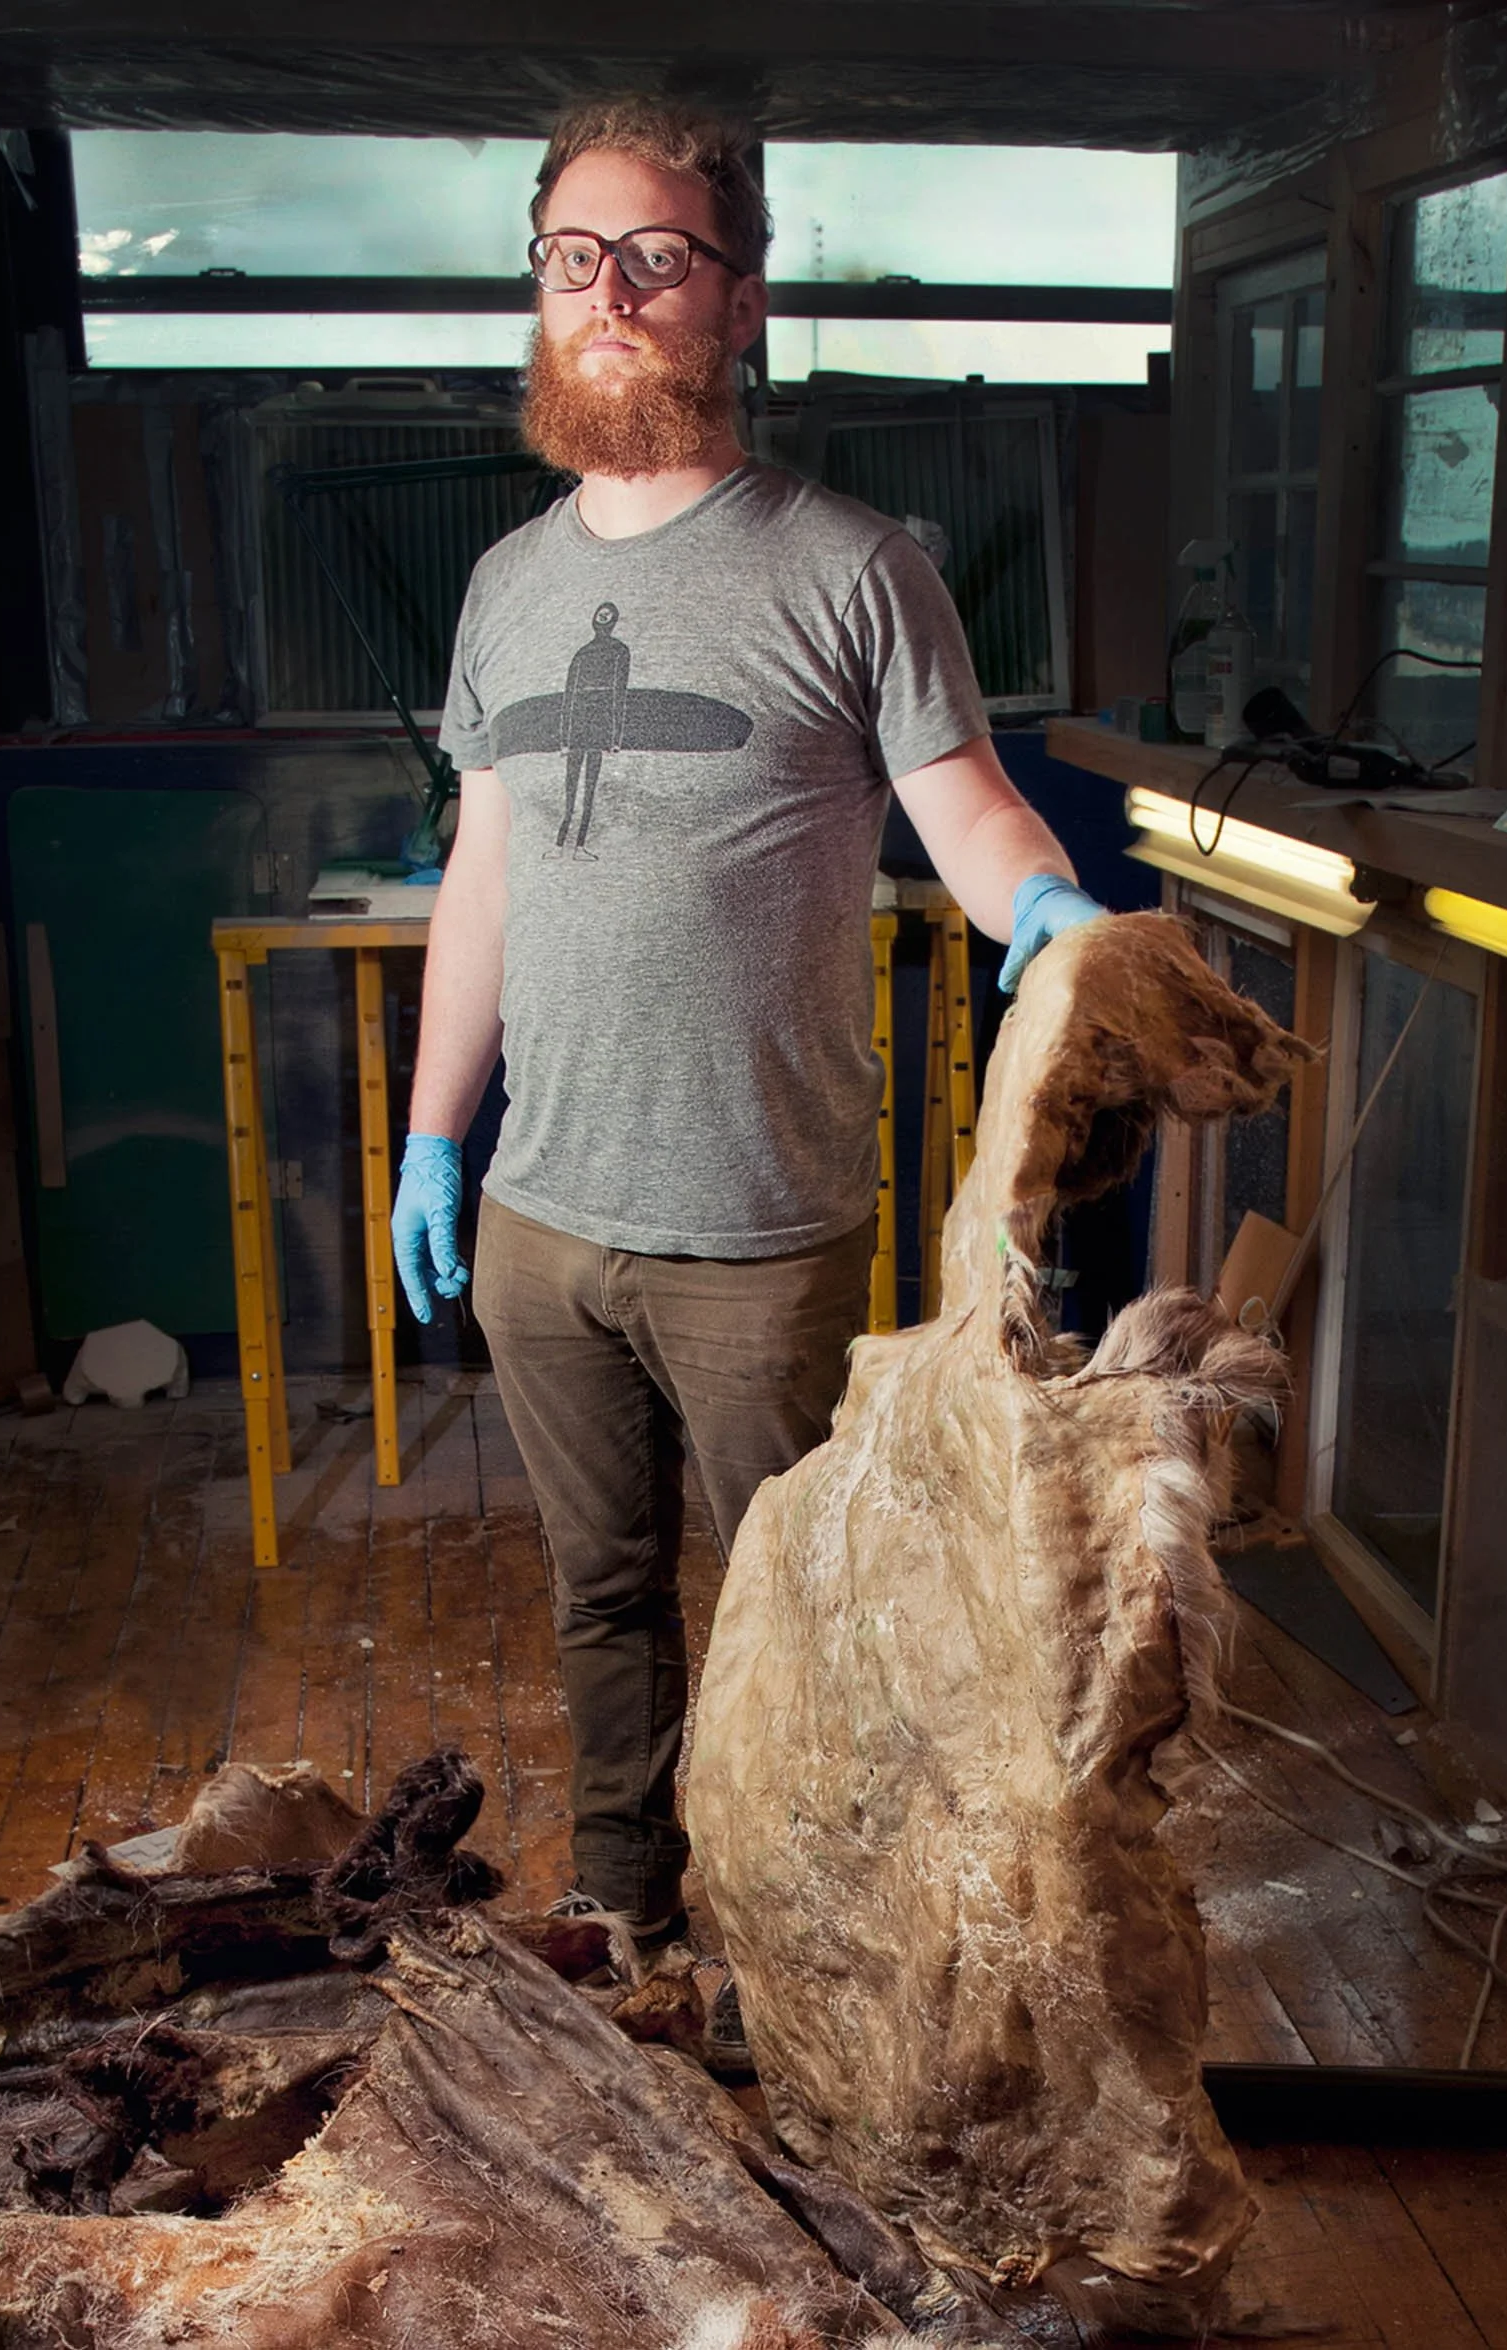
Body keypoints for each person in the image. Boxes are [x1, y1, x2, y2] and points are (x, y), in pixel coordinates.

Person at [393, 97, 1103, 1952]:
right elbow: (480, 880)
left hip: (758, 1233)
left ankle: (819, 1955)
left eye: (654, 258)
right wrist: (430, 1132)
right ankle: (629, 1912)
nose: (606, 294)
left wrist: (1038, 903)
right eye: (570, 260)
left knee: (811, 1617)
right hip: (545, 1214)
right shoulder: (505, 584)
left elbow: (959, 797)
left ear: (739, 300)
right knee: (597, 1595)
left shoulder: (849, 566)